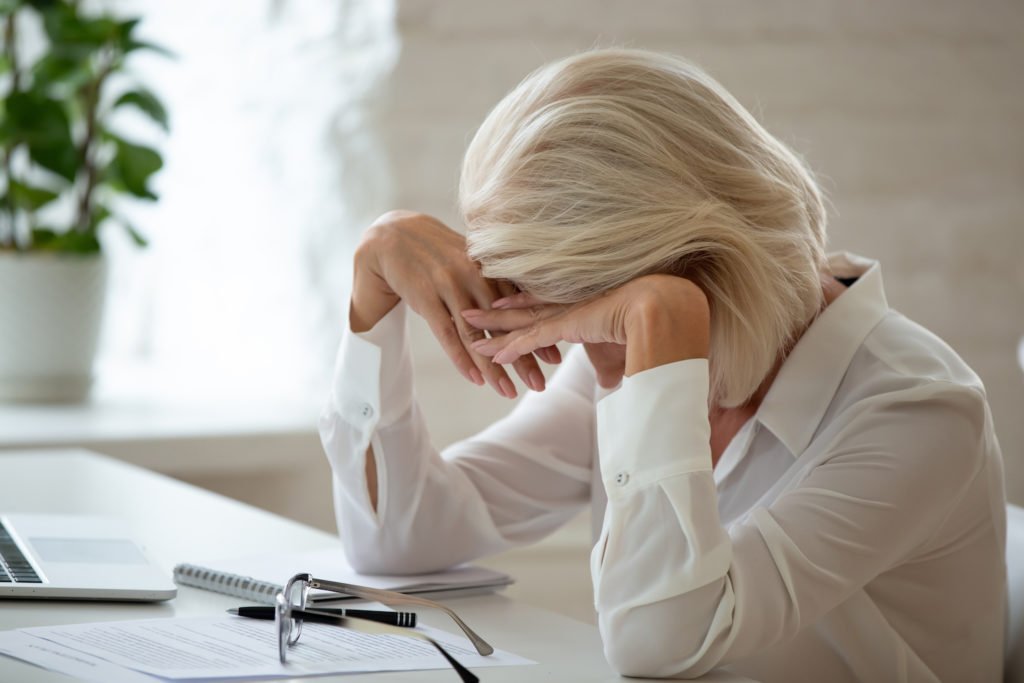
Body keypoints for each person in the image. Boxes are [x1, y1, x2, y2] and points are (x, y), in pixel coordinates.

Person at [319, 49, 1007, 682]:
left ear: (699, 264)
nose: (573, 346)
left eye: (580, 309)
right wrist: (371, 298)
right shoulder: (622, 355)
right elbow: (400, 539)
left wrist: (657, 330)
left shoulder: (918, 411)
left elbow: (661, 644)